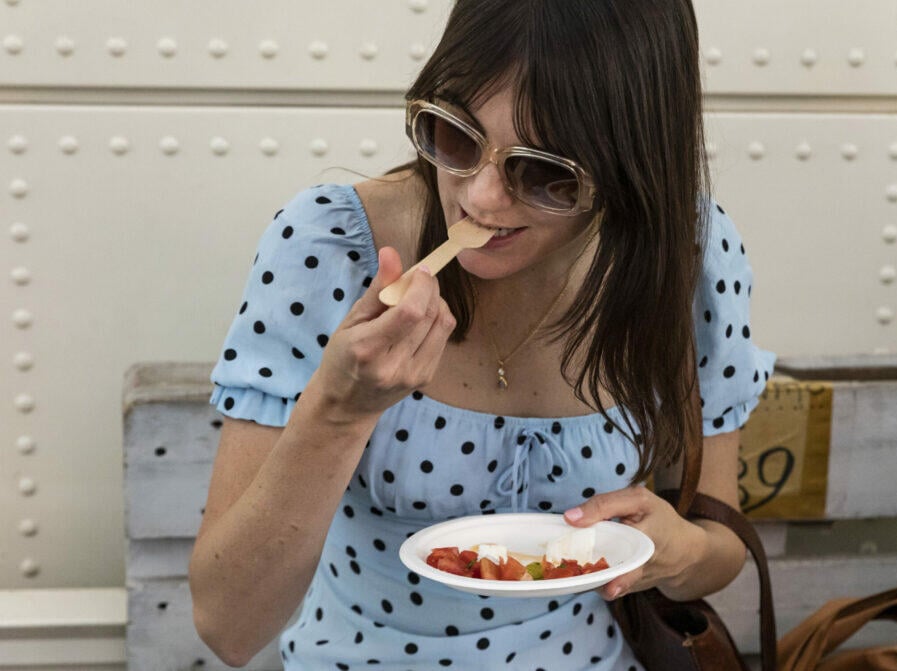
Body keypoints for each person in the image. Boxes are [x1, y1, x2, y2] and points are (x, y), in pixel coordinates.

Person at [188, 1, 776, 669]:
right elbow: (226, 624)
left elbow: (719, 547)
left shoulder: (683, 254)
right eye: (455, 136)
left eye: (544, 172)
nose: (480, 197)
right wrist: (340, 410)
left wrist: (676, 551)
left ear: (630, 166)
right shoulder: (332, 250)